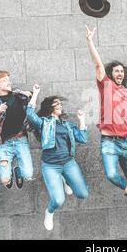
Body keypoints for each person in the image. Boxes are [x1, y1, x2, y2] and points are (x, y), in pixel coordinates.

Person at [85, 25, 127, 205]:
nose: (120, 73)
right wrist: (89, 41)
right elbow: (98, 64)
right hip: (109, 141)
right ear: (111, 73)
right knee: (111, 174)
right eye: (116, 70)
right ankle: (126, 188)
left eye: (122, 71)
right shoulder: (106, 85)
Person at [26, 84, 89, 231]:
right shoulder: (44, 123)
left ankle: (65, 179)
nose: (60, 105)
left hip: (68, 163)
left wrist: (82, 120)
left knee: (82, 194)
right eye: (57, 104)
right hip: (51, 166)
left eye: (60, 103)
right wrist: (35, 93)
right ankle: (49, 212)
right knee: (58, 200)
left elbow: (82, 138)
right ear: (50, 107)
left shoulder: (67, 124)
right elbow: (30, 113)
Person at [0, 70, 34, 189]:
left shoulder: (18, 95)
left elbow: (31, 99)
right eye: (4, 80)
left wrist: (30, 93)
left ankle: (18, 171)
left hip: (21, 139)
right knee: (5, 179)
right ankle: (8, 175)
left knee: (28, 174)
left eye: (8, 79)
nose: (8, 82)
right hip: (4, 142)